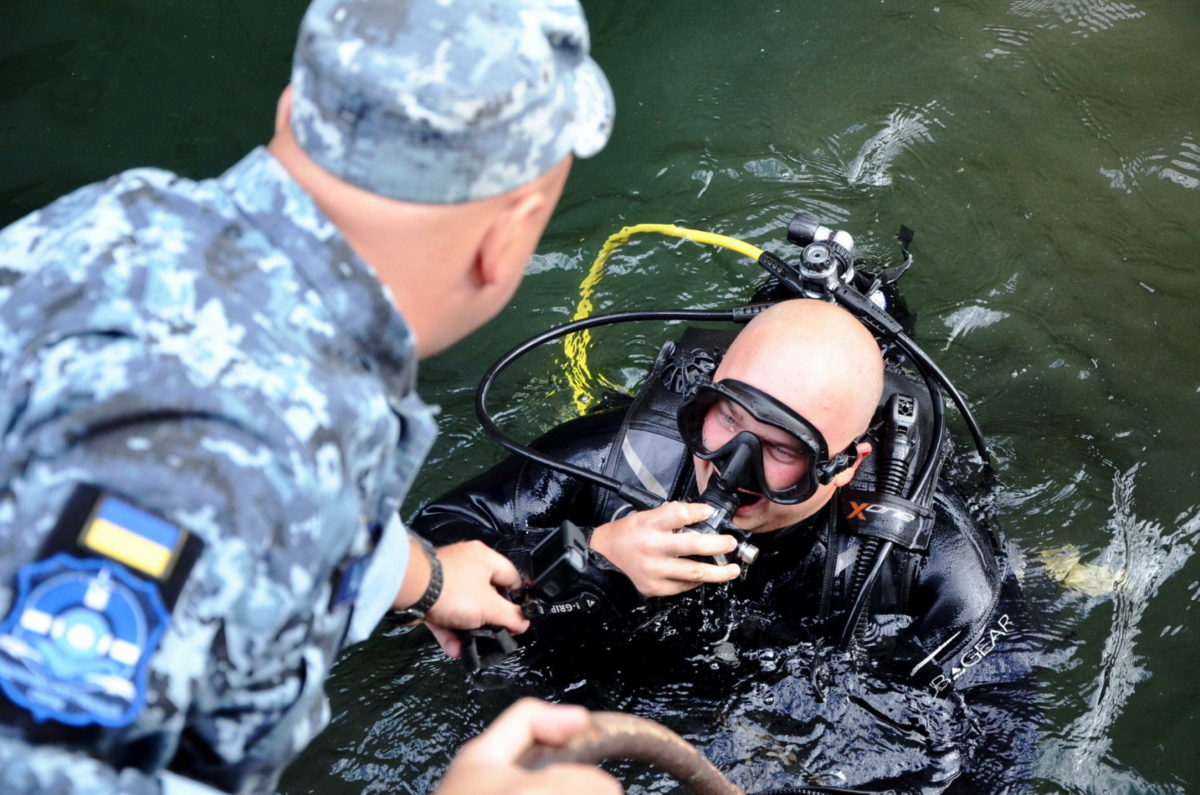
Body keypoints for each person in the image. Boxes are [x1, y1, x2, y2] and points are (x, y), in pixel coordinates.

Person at [0, 0, 620, 792]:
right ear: (505, 240)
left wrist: (418, 575)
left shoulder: (119, 215)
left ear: (295, 111)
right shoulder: (235, 439)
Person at [415, 298, 1021, 697]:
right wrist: (589, 556)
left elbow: (976, 746)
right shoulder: (614, 458)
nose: (732, 469)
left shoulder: (929, 559)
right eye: (727, 419)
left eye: (783, 451)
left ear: (844, 463)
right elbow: (426, 558)